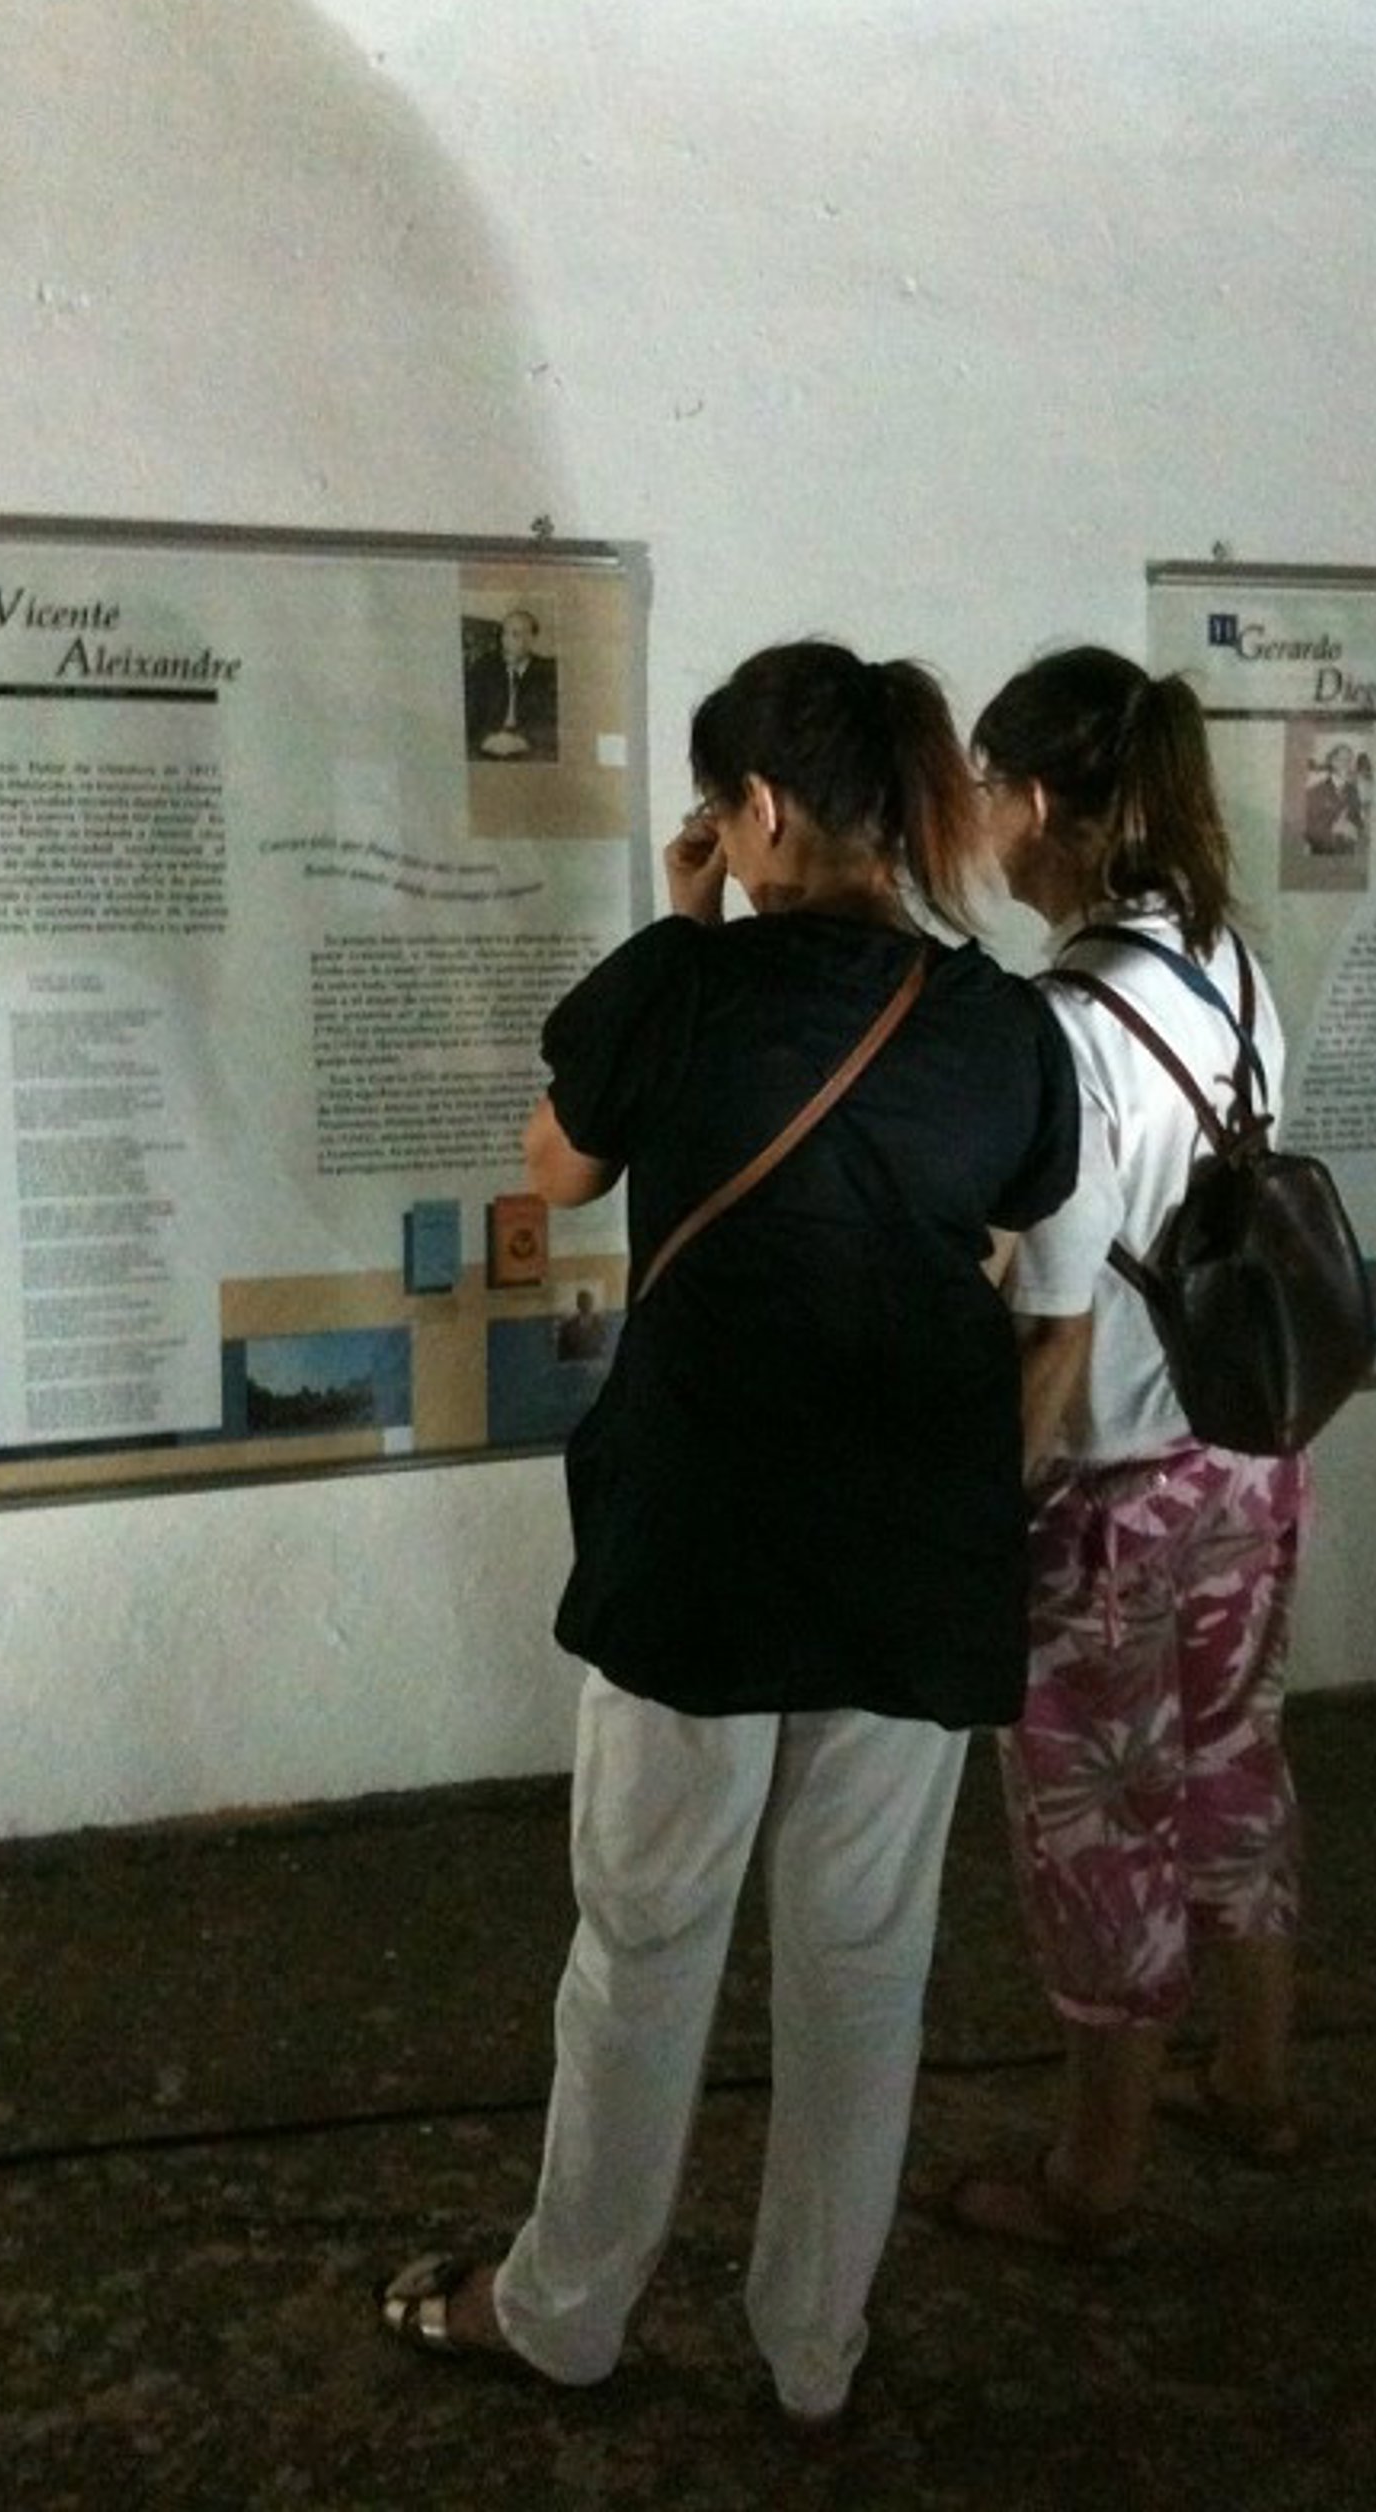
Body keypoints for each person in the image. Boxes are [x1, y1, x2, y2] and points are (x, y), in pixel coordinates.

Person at [377, 638, 1080, 2423]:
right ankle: (814, 2349)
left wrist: (686, 926)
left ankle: (568, 2312)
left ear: (754, 807)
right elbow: (1010, 1220)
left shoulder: (678, 987)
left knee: (645, 1942)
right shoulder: (1005, 1023)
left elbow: (556, 1166)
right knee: (864, 1965)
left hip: (704, 1535)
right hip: (911, 1543)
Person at [947, 643, 1312, 2254]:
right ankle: (1258, 2084)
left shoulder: (1061, 1026)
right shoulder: (1230, 962)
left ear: (1034, 801)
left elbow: (1055, 1323)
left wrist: (979, 1521)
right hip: (1248, 1458)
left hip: (1108, 1502)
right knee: (1236, 1766)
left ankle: (1092, 2181)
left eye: (983, 789)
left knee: (1100, 1825)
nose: (975, 822)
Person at [465, 605, 559, 760]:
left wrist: (524, 741)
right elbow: (468, 713)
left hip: (530, 746)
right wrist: (484, 739)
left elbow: (555, 722)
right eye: (504, 633)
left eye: (515, 634)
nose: (506, 641)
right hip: (489, 742)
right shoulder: (484, 667)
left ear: (531, 640)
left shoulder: (549, 672)